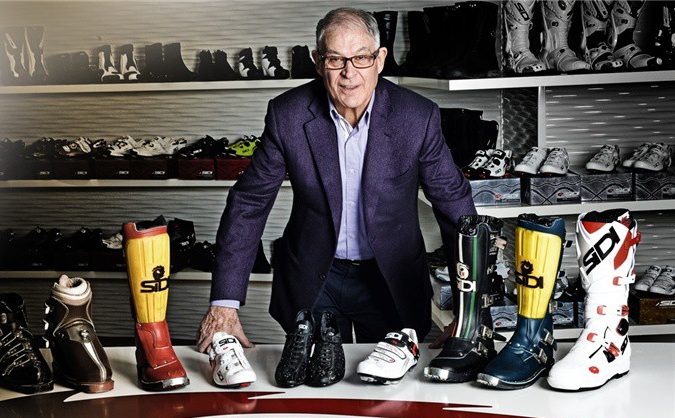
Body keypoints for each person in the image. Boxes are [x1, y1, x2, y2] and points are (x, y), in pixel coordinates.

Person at [197, 7, 476, 352]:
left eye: (361, 58)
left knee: (390, 382)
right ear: (318, 62)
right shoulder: (288, 114)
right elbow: (249, 202)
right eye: (335, 59)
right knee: (311, 378)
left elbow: (454, 206)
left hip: (391, 279)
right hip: (315, 278)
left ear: (380, 60)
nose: (349, 73)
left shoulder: (417, 116)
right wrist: (224, 303)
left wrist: (470, 310)